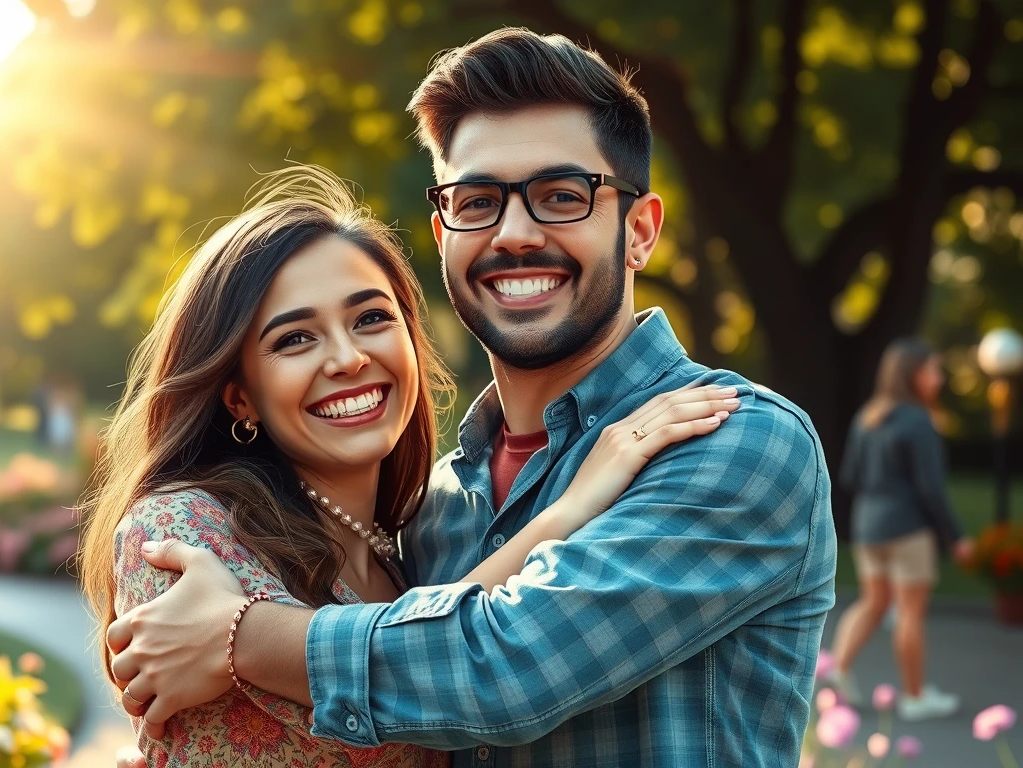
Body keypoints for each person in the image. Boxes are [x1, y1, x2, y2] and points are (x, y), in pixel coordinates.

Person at [107, 28, 836, 767]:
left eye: (561, 196)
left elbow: (501, 669)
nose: (515, 234)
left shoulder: (731, 443)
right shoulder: (430, 513)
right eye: (479, 200)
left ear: (638, 231)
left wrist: (238, 636)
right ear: (443, 231)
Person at [78, 165, 740, 767]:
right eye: (296, 338)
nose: (346, 358)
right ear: (239, 393)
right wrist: (572, 506)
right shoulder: (183, 530)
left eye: (370, 318)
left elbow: (449, 640)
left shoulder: (411, 545)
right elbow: (458, 664)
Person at [828, 338, 972, 720]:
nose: (939, 378)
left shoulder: (867, 417)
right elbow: (931, 488)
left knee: (872, 602)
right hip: (907, 529)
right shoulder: (918, 419)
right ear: (914, 375)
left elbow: (850, 475)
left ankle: (837, 672)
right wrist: (955, 537)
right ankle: (914, 697)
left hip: (868, 527)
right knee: (910, 612)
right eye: (933, 370)